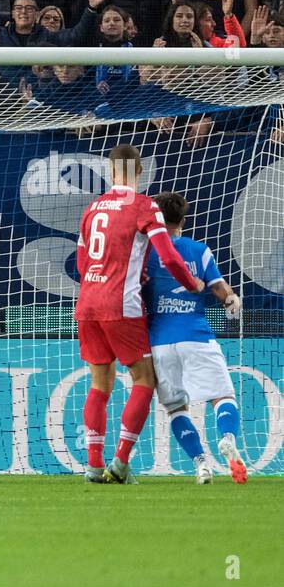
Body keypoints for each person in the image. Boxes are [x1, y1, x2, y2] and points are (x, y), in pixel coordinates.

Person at [74, 143, 203, 485]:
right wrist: (192, 284)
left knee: (100, 384)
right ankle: (120, 462)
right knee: (144, 379)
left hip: (87, 302)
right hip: (122, 303)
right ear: (141, 171)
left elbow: (81, 263)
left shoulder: (92, 208)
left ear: (110, 171)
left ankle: (92, 465)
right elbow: (171, 256)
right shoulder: (144, 207)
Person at [143, 191, 248, 485]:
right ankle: (226, 437)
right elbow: (220, 291)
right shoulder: (199, 250)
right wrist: (232, 301)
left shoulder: (146, 254)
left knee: (177, 408)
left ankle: (201, 464)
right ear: (184, 220)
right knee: (222, 396)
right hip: (196, 337)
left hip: (160, 342)